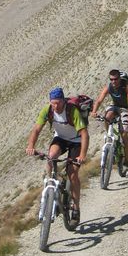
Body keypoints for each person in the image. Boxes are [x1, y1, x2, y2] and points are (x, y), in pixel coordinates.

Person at [26, 87, 89, 223]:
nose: (55, 106)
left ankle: (76, 209)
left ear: (63, 101)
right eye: (53, 103)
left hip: (76, 141)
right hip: (60, 138)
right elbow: (36, 129)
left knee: (72, 174)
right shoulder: (48, 110)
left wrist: (82, 155)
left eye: (58, 103)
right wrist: (31, 146)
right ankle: (51, 188)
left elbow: (84, 134)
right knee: (51, 156)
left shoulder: (72, 111)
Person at [91, 69, 128, 171]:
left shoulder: (126, 86)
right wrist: (94, 111)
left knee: (124, 134)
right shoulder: (109, 87)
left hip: (125, 109)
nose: (113, 81)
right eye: (111, 79)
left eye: (115, 79)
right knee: (107, 117)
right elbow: (99, 100)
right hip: (115, 106)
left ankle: (126, 161)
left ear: (119, 78)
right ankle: (109, 136)